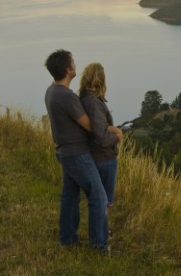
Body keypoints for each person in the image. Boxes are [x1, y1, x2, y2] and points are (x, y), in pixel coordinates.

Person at [43, 49, 118, 252]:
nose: (76, 65)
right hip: (77, 153)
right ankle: (99, 246)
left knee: (70, 196)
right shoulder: (66, 96)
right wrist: (114, 131)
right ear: (68, 69)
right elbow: (91, 126)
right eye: (73, 62)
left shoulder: (51, 91)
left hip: (64, 151)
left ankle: (68, 240)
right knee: (99, 197)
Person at [79, 63, 122, 237]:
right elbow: (101, 136)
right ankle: (101, 235)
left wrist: (110, 128)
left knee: (100, 199)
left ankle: (103, 231)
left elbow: (97, 128)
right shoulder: (93, 102)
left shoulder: (83, 98)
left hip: (95, 155)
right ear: (100, 79)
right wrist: (116, 137)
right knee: (104, 199)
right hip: (103, 157)